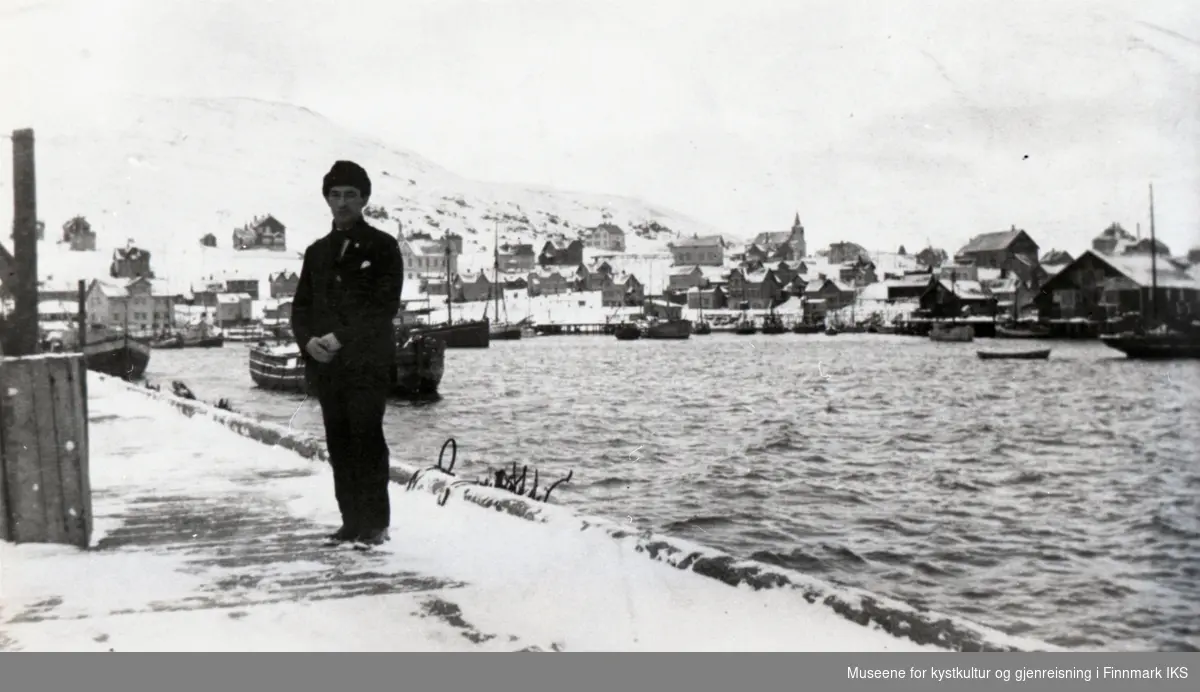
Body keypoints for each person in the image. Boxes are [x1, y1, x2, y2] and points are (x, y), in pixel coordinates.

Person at [290, 160, 404, 547]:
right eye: (335, 195)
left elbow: (382, 306)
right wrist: (307, 342)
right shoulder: (316, 252)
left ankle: (375, 524)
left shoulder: (383, 246)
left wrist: (339, 338)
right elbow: (300, 308)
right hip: (328, 366)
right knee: (338, 441)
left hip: (367, 362)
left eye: (350, 195)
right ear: (326, 199)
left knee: (367, 437)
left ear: (365, 199)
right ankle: (350, 522)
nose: (342, 203)